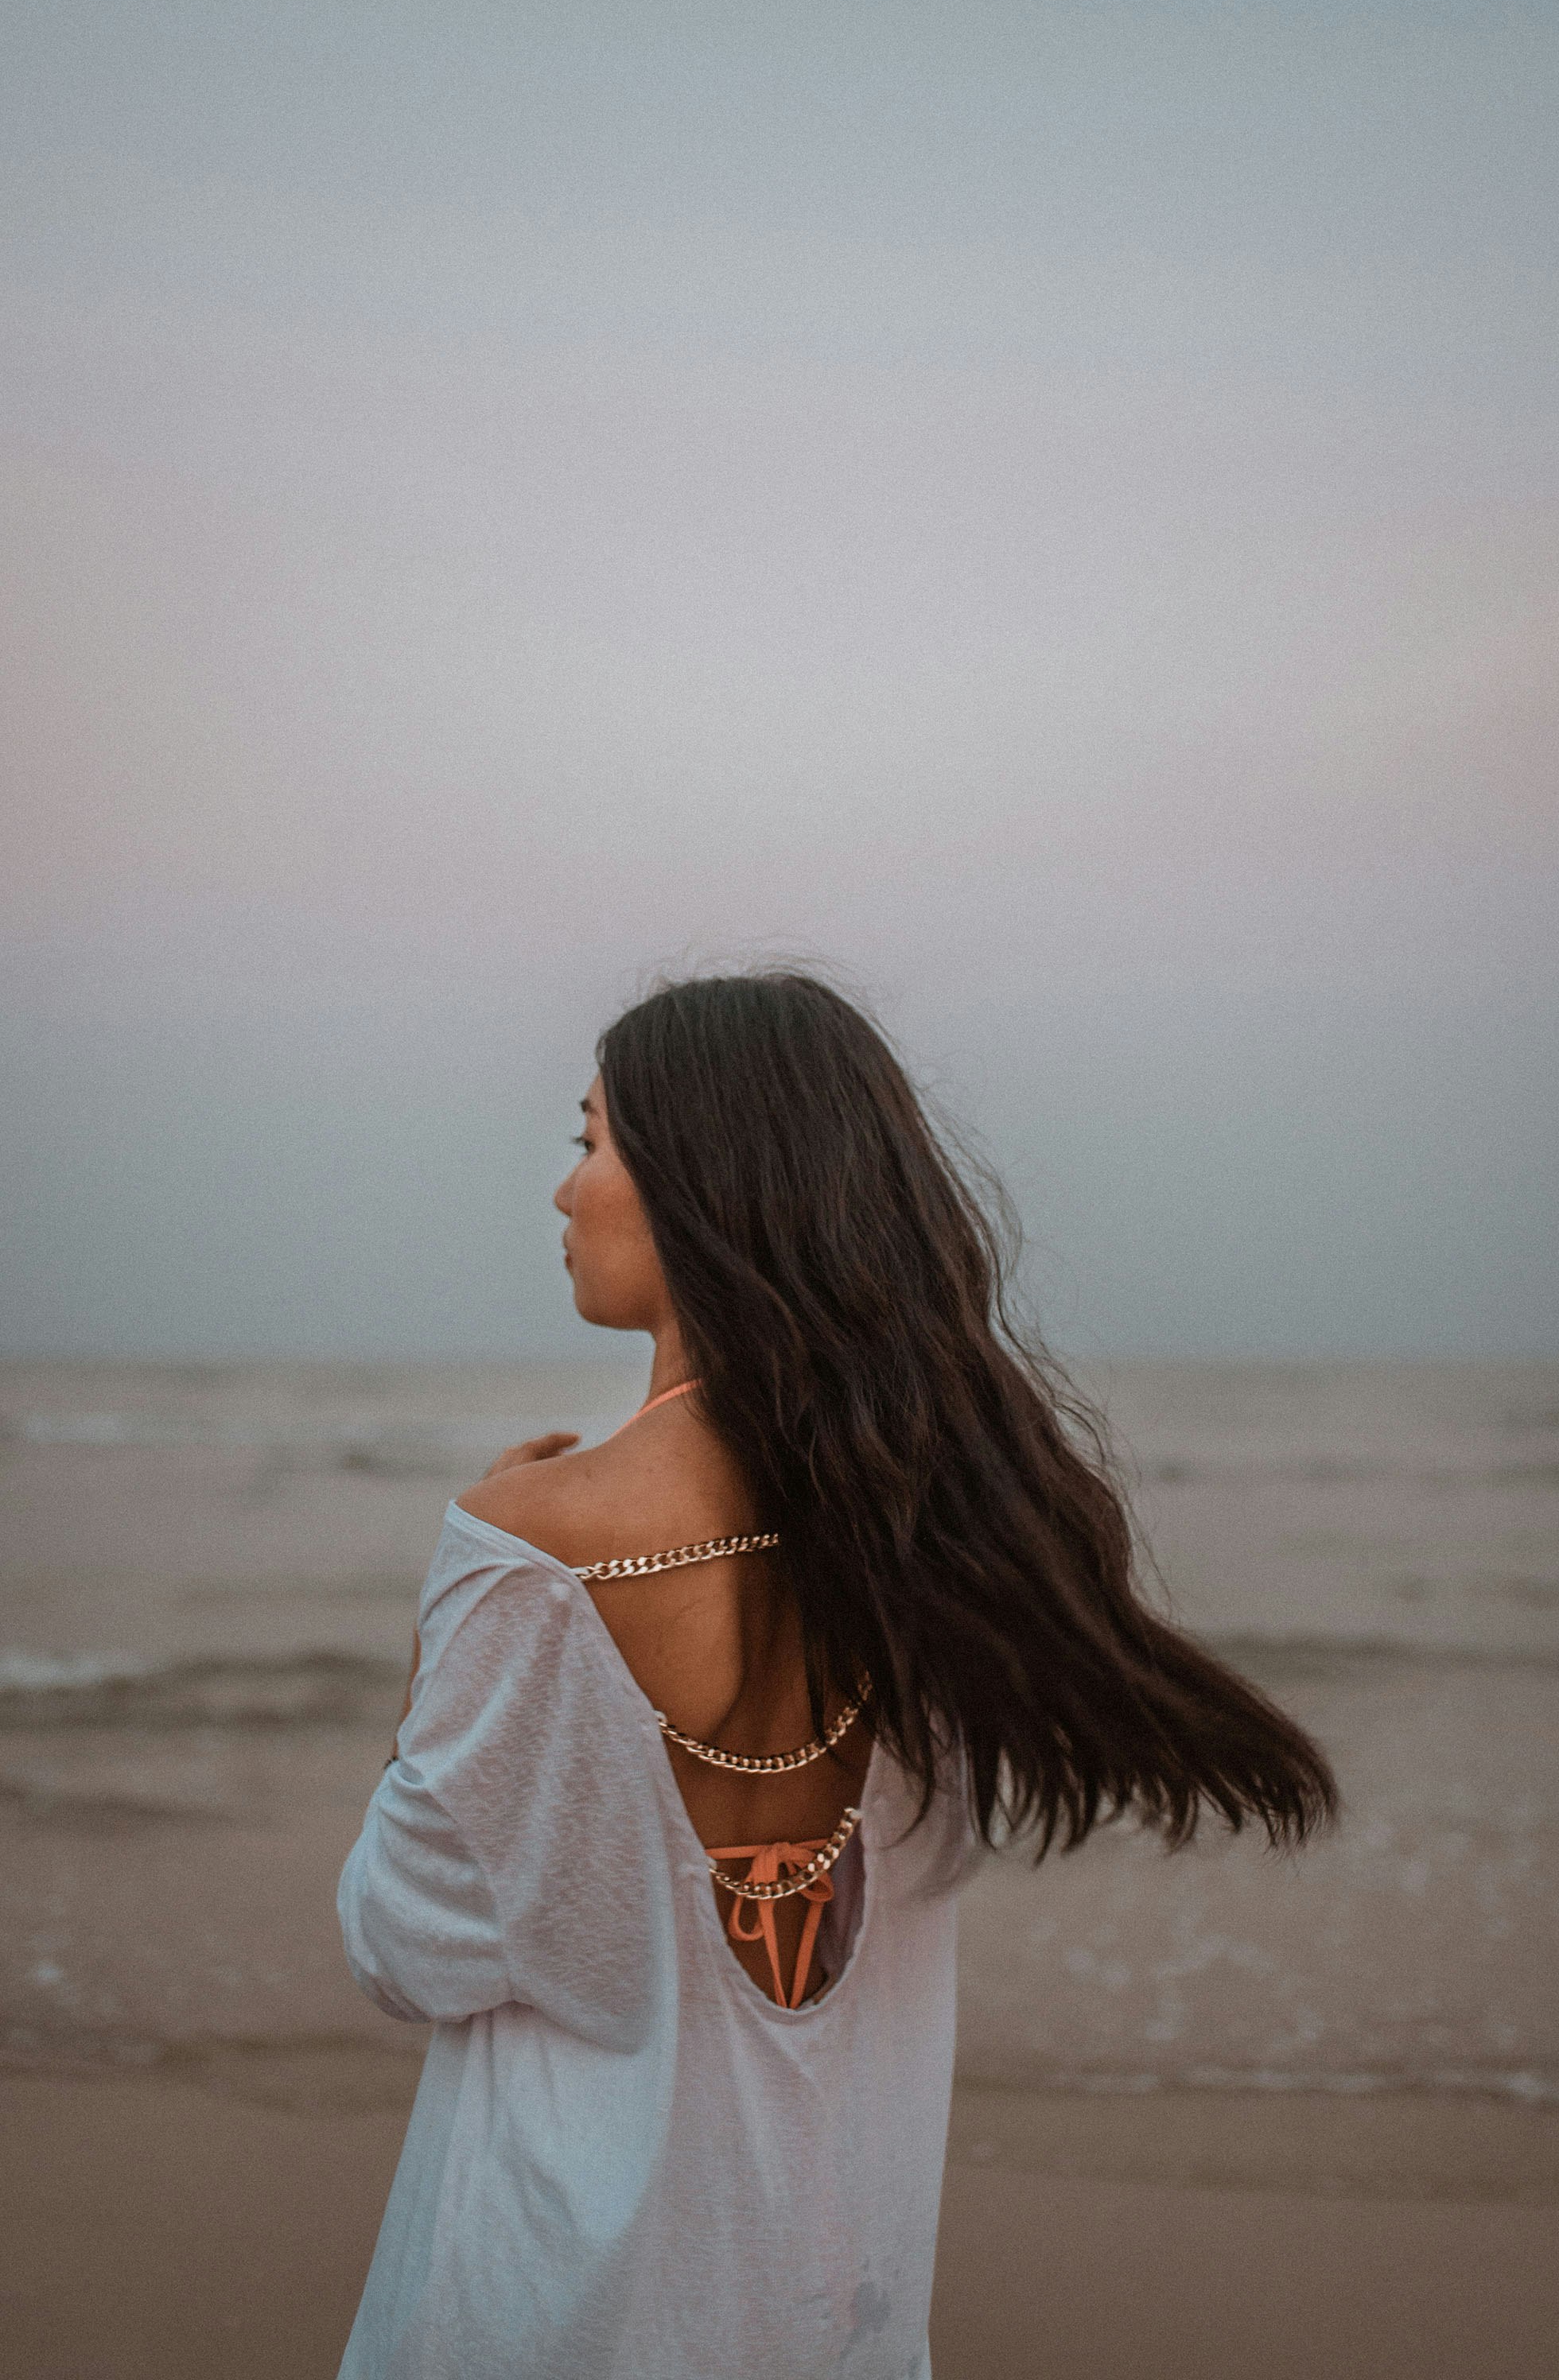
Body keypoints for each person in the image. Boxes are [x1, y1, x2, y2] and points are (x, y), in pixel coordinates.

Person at [335, 971, 1336, 2380]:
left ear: (700, 1181)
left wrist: (437, 1653)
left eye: (590, 1141)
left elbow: (406, 1948)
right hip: (835, 2320)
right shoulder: (945, 1544)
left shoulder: (530, 1546)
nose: (566, 1193)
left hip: (556, 2316)